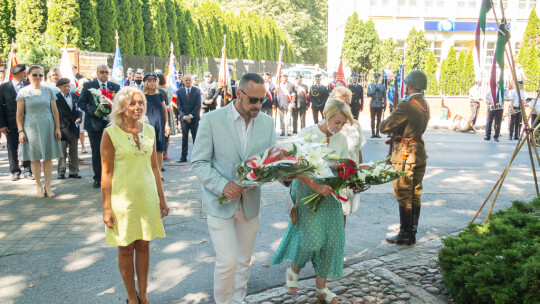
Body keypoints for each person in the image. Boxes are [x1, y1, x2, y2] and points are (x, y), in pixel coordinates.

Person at [191, 73, 276, 304]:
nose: (258, 105)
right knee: (227, 262)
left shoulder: (267, 123)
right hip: (219, 203)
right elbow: (198, 161)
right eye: (253, 100)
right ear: (238, 94)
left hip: (250, 205)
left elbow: (271, 162)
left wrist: (286, 173)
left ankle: (238, 300)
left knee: (243, 262)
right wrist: (223, 185)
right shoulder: (212, 120)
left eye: (263, 100)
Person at [272, 98, 353, 304]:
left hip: (331, 194)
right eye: (337, 122)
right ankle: (294, 268)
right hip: (308, 190)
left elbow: (344, 167)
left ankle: (322, 288)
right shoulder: (308, 133)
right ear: (326, 116)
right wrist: (316, 185)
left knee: (332, 241)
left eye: (343, 123)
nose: (339, 127)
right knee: (313, 240)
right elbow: (292, 168)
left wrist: (353, 181)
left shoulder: (341, 140)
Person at [101, 87, 169, 304]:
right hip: (123, 200)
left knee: (144, 245)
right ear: (121, 106)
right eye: (132, 103)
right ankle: (131, 297)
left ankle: (144, 293)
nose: (137, 107)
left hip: (147, 197)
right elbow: (107, 171)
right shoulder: (110, 133)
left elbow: (155, 168)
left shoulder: (149, 131)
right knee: (126, 246)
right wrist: (106, 208)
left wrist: (162, 198)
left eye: (140, 103)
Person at [380, 70, 430, 245]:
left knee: (403, 194)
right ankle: (412, 231)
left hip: (405, 155)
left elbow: (384, 127)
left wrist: (391, 117)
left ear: (409, 85)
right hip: (419, 152)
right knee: (415, 193)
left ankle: (405, 234)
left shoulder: (406, 105)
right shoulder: (425, 103)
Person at [16, 65, 63, 198]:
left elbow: (55, 111)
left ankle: (48, 185)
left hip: (48, 126)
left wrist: (58, 128)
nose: (38, 77)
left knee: (48, 157)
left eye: (40, 75)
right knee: (34, 158)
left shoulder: (48, 91)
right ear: (29, 76)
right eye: (35, 74)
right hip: (31, 127)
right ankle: (38, 186)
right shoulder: (23, 92)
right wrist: (21, 131)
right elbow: (19, 113)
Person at [78, 64, 121, 188]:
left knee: (112, 150)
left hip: (110, 124)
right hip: (94, 124)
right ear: (96, 73)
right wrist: (94, 111)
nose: (104, 74)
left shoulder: (115, 87)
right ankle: (98, 177)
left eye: (106, 72)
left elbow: (119, 103)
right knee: (97, 151)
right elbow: (82, 103)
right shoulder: (88, 86)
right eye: (101, 72)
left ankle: (111, 175)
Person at [329, 87, 366, 217]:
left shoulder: (355, 125)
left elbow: (358, 151)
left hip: (349, 179)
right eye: (337, 103)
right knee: (331, 216)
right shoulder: (326, 126)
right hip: (331, 180)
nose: (340, 107)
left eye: (344, 104)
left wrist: (360, 176)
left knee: (343, 215)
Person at [0, 63, 33, 181]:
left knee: (28, 146)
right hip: (11, 123)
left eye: (25, 72)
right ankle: (15, 171)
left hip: (28, 122)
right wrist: (2, 124)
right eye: (22, 72)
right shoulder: (4, 88)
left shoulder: (29, 85)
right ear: (14, 74)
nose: (25, 74)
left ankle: (28, 169)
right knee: (12, 147)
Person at [142, 73, 170, 174]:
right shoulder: (141, 95)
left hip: (159, 125)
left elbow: (164, 110)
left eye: (154, 81)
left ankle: (158, 173)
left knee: (159, 149)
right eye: (150, 81)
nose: (152, 83)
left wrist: (166, 124)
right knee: (147, 148)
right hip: (146, 125)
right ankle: (149, 173)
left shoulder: (161, 93)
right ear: (145, 83)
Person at [55, 78, 82, 179]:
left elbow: (78, 108)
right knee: (62, 150)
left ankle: (74, 171)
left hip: (74, 127)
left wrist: (79, 117)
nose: (67, 88)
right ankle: (61, 171)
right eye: (65, 86)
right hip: (62, 128)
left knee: (74, 150)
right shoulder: (56, 98)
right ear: (59, 87)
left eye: (68, 86)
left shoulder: (75, 96)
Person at [177, 75, 201, 162]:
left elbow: (198, 105)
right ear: (183, 81)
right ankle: (183, 157)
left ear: (192, 81)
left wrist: (190, 116)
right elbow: (179, 106)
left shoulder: (197, 91)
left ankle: (197, 157)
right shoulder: (179, 91)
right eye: (186, 80)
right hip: (184, 119)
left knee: (196, 138)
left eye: (189, 80)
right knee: (184, 138)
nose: (188, 82)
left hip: (194, 118)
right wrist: (184, 116)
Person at [157, 73, 175, 160]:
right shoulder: (153, 90)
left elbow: (168, 100)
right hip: (156, 112)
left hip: (166, 111)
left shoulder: (167, 89)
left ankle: (166, 151)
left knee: (166, 134)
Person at [367, 73, 386, 138]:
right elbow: (368, 94)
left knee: (379, 119)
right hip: (373, 103)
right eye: (375, 78)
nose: (376, 79)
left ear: (379, 79)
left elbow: (384, 96)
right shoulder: (370, 86)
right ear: (374, 78)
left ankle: (377, 133)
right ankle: (373, 132)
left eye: (377, 78)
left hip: (380, 104)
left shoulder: (382, 86)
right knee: (372, 119)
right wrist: (375, 90)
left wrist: (385, 104)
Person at [77, 78, 89, 155]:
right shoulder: (76, 92)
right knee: (81, 131)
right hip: (81, 112)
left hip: (88, 112)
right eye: (82, 84)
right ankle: (83, 146)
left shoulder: (89, 91)